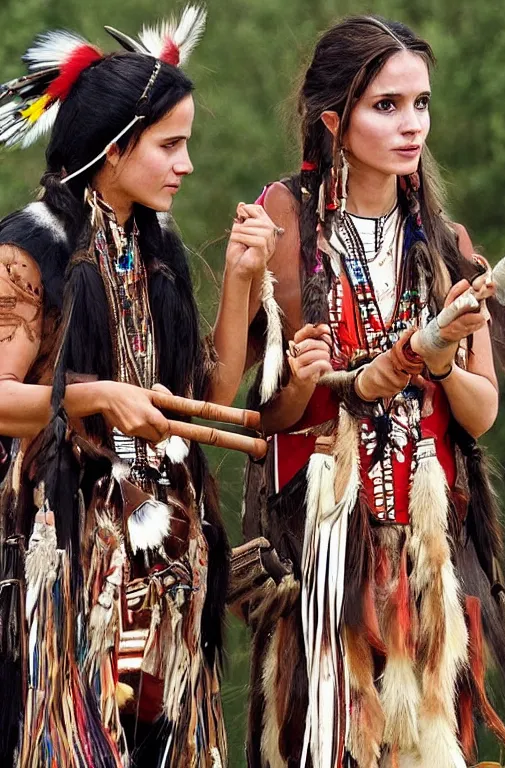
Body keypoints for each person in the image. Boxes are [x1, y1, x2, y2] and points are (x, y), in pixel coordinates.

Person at [0, 7, 276, 767]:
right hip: (65, 567)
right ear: (113, 150)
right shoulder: (31, 248)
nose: (186, 164)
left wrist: (243, 285)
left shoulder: (152, 245)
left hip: (161, 569)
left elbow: (204, 392)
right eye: (170, 145)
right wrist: (92, 396)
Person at [238, 15, 505, 768]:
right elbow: (267, 413)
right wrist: (305, 378)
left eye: (420, 103)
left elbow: (481, 414)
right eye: (386, 105)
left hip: (426, 554)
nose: (411, 124)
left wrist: (444, 357)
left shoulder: (444, 242)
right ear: (334, 119)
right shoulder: (287, 222)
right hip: (327, 550)